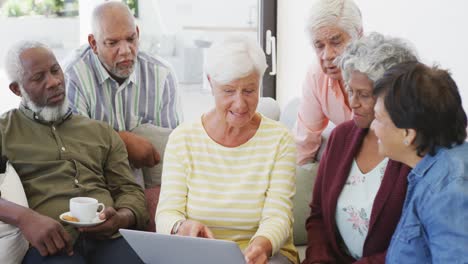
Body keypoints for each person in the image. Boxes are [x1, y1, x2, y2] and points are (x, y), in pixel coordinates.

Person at [0, 41, 149, 263]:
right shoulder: (4, 132)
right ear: (17, 89)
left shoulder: (100, 131)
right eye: (38, 78)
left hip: (110, 238)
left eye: (55, 70)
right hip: (51, 247)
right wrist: (24, 218)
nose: (54, 82)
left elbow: (130, 190)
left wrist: (122, 217)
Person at [156, 36, 298, 264]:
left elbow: (279, 216)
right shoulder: (183, 139)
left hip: (263, 256)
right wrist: (181, 226)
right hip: (200, 256)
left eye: (250, 91)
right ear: (210, 82)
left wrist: (260, 245)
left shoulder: (279, 140)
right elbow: (166, 215)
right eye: (229, 91)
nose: (240, 104)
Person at [303, 33, 418, 264]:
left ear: (394, 98)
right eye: (350, 90)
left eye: (364, 95)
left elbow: (416, 243)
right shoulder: (341, 136)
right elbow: (318, 217)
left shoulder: (413, 150)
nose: (353, 103)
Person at [64, 1, 182, 170]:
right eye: (113, 43)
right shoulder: (73, 77)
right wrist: (122, 141)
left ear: (138, 34)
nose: (126, 50)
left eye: (130, 38)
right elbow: (75, 147)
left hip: (150, 177)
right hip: (95, 176)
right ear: (94, 44)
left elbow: (172, 150)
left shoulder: (162, 75)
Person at [371, 61, 468, 263]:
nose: (373, 127)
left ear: (408, 134)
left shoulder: (449, 192)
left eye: (378, 118)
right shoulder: (435, 169)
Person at [294, 0, 363, 165]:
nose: (327, 55)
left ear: (359, 35)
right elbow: (304, 143)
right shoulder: (316, 75)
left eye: (336, 42)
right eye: (319, 46)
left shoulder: (380, 71)